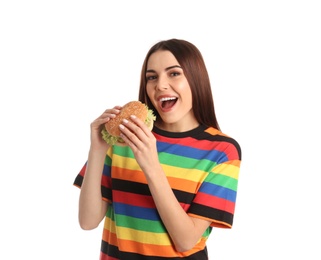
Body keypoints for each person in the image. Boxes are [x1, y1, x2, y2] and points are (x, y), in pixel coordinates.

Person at [73, 38, 242, 259]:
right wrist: (97, 150)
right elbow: (87, 221)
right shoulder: (124, 139)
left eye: (174, 73)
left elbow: (185, 240)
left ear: (196, 78)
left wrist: (151, 165)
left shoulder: (222, 150)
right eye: (151, 77)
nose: (160, 85)